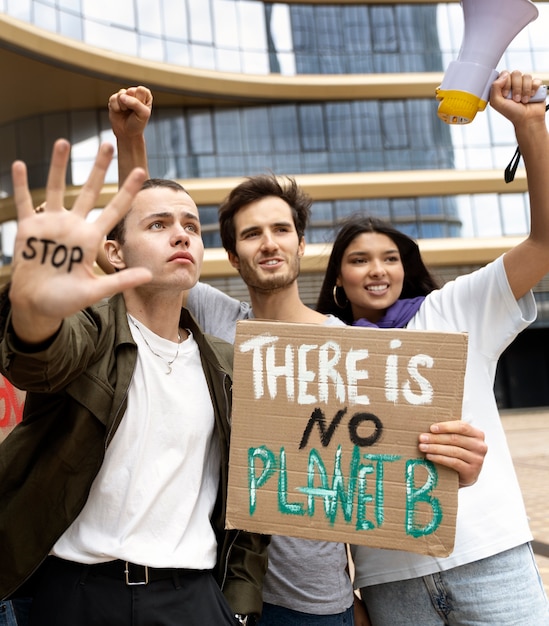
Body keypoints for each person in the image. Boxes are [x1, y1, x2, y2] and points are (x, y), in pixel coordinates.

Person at [108, 88, 488, 626]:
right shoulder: (221, 321)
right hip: (226, 589)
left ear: (301, 244)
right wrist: (131, 139)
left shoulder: (354, 347)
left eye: (281, 229)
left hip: (319, 602)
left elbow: (390, 467)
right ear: (234, 255)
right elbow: (147, 233)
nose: (268, 243)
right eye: (251, 234)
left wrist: (455, 467)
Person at [0, 139, 268, 625]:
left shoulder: (228, 366)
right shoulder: (90, 330)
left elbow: (251, 501)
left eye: (191, 226)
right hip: (79, 595)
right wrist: (35, 306)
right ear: (115, 254)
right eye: (159, 225)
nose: (182, 236)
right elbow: (36, 361)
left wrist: (239, 609)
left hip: (195, 598)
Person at [315, 70, 549, 625]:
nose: (377, 270)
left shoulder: (454, 309)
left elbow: (544, 242)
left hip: (488, 557)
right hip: (387, 579)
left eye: (390, 258)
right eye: (359, 260)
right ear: (338, 279)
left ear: (407, 267)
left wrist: (530, 128)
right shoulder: (321, 345)